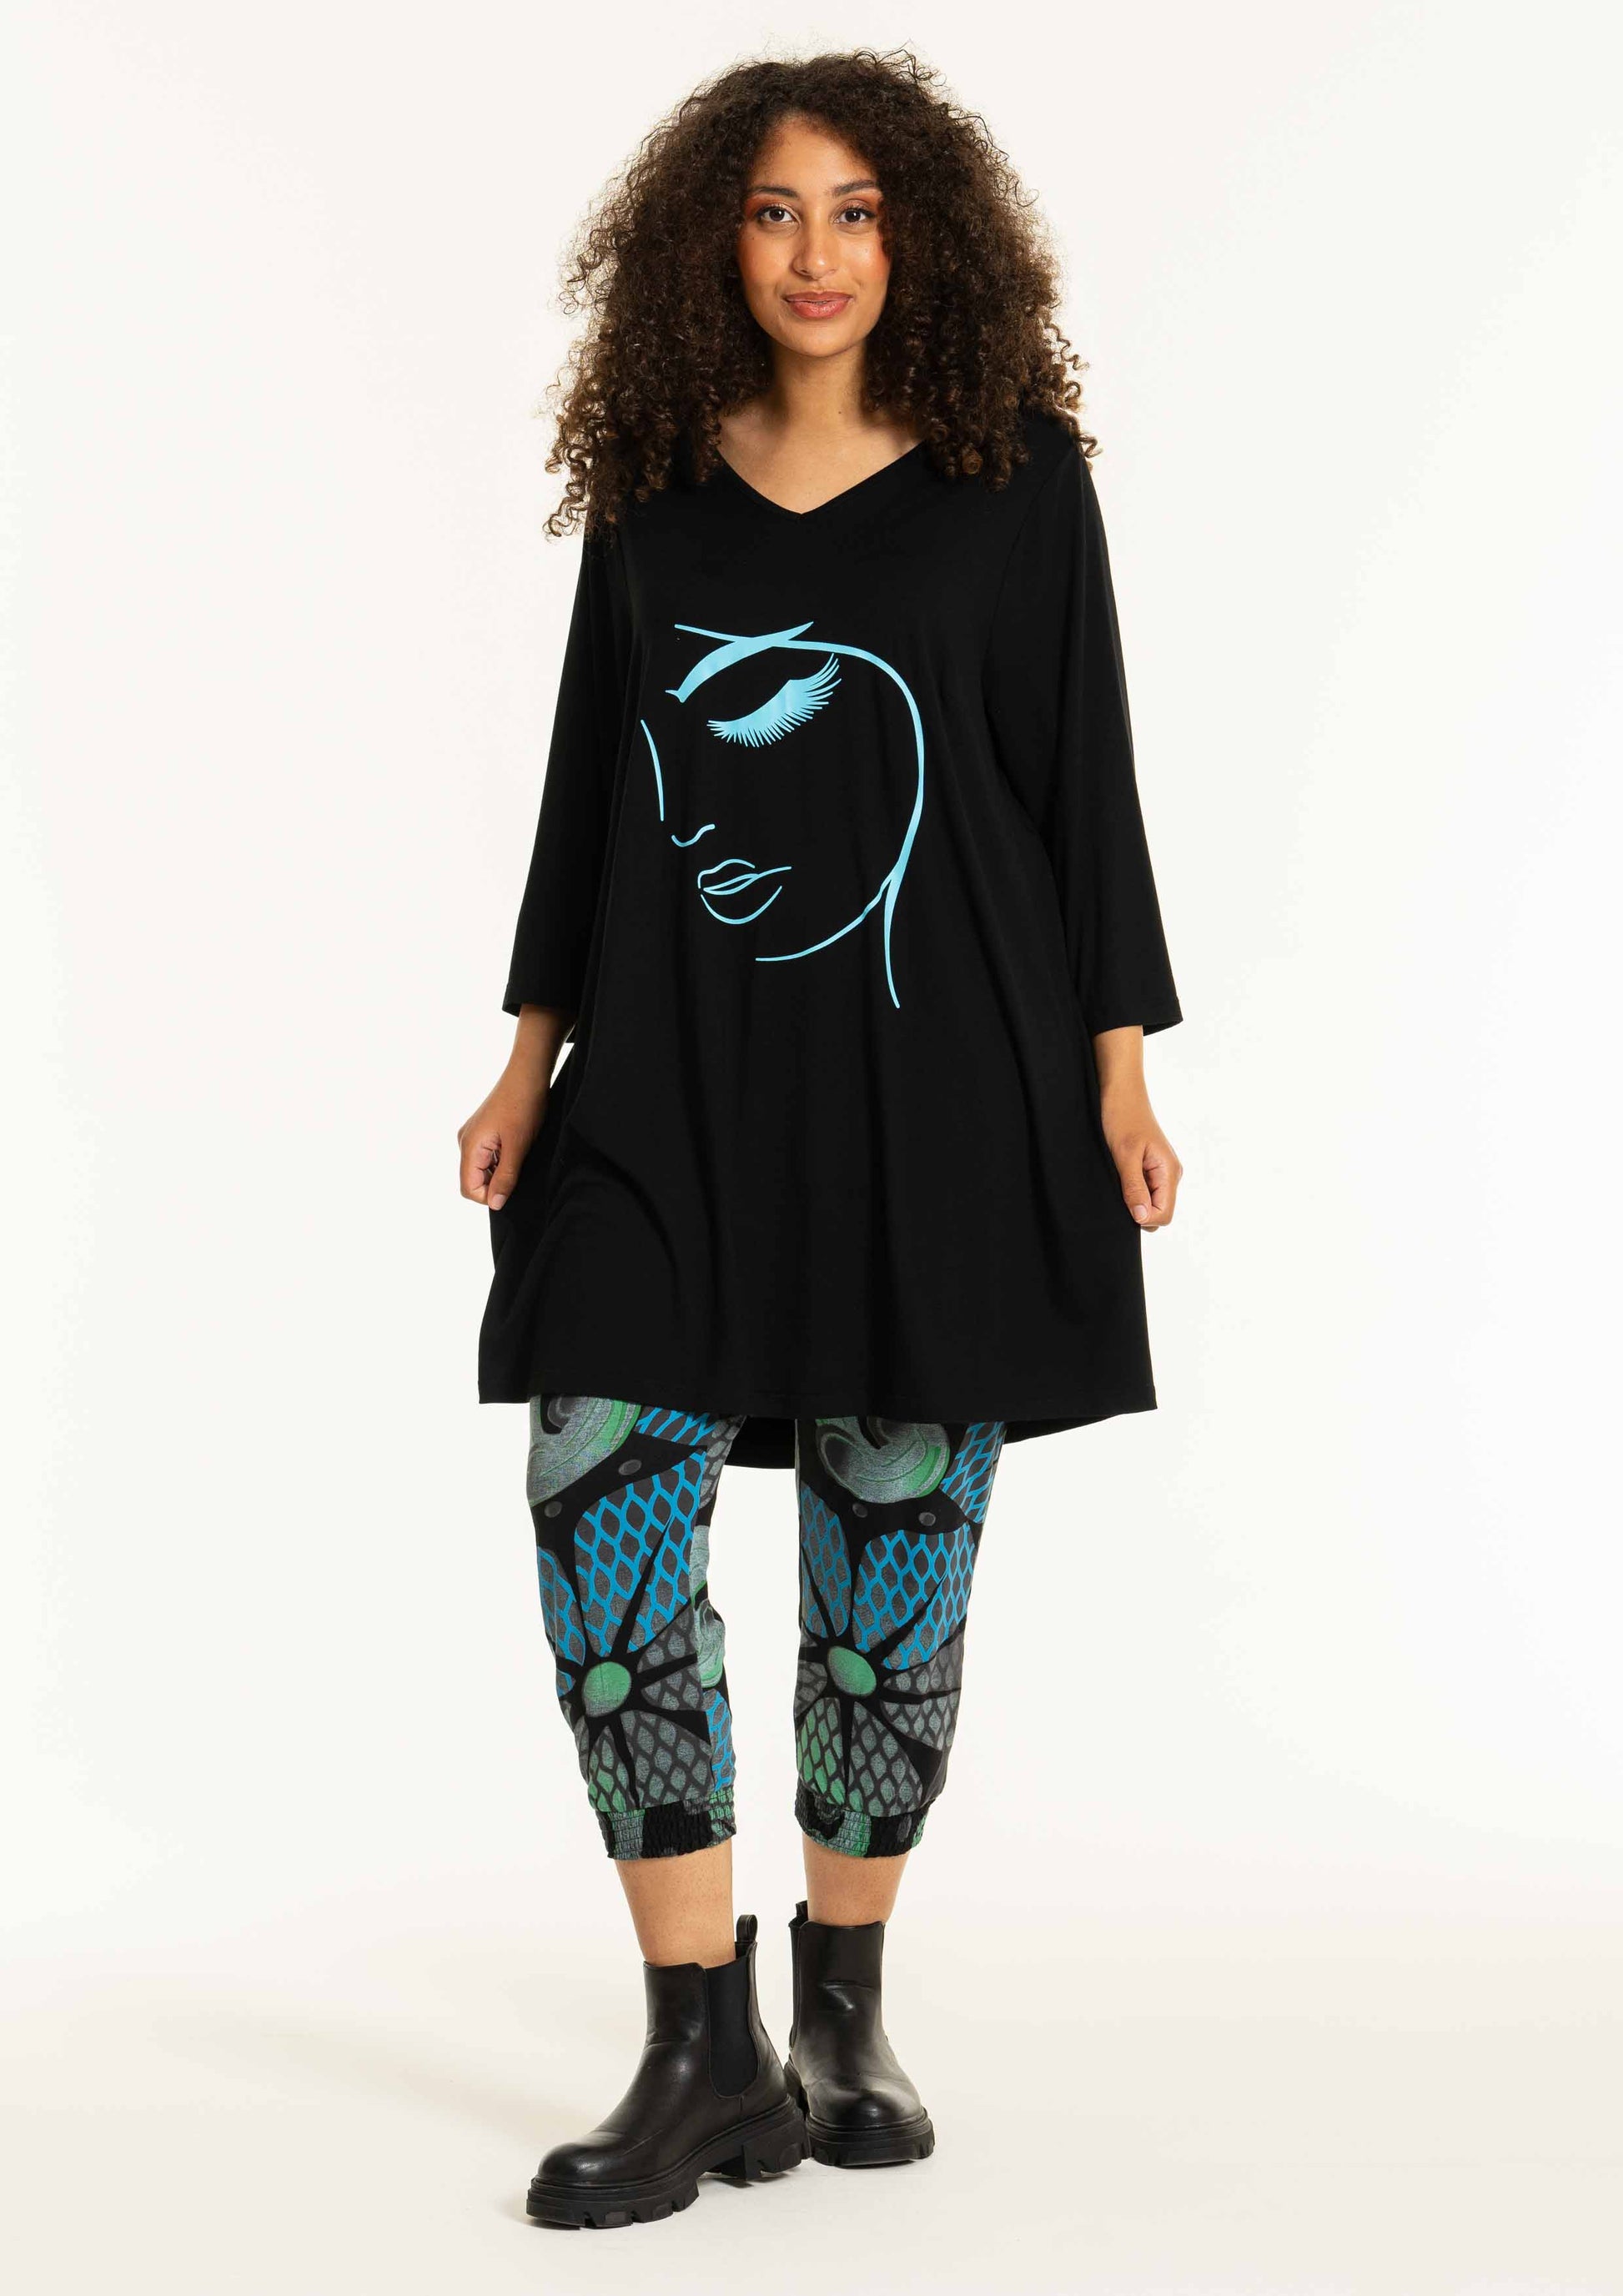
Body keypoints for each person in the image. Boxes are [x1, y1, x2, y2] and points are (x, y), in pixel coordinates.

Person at [457, 48, 1183, 2229]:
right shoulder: (657, 493)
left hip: (944, 1075)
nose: (815, 254)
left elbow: (1080, 781)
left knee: (896, 1538)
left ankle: (841, 2004)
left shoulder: (1010, 478)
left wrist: (1120, 1068)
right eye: (775, 210)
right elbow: (590, 792)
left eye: (856, 211)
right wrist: (527, 1055)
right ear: (714, 237)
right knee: (598, 1478)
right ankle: (699, 2043)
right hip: (668, 1076)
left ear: (917, 237)